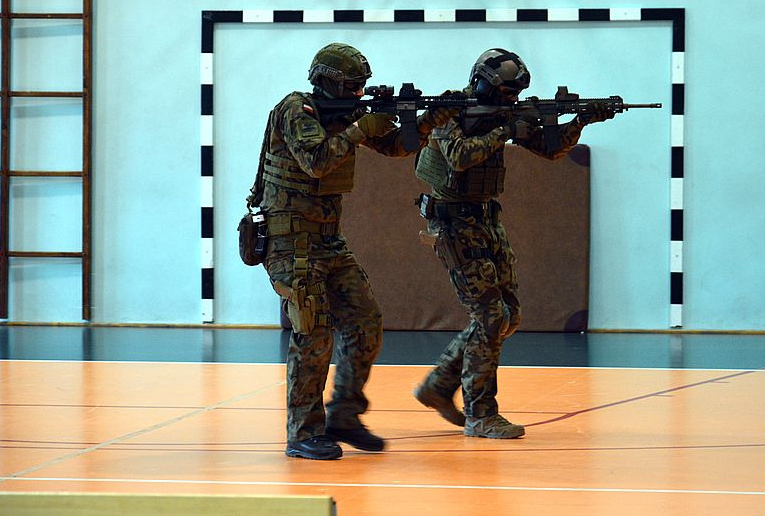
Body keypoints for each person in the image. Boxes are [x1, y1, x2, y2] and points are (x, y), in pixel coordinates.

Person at [253, 43, 454, 459]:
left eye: (362, 86)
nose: (359, 93)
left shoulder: (346, 114)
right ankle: (303, 432)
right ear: (325, 81)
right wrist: (363, 127)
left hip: (327, 240)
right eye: (351, 86)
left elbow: (397, 147)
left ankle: (344, 413)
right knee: (313, 333)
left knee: (365, 322)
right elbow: (316, 160)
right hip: (289, 242)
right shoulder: (295, 110)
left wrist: (430, 119)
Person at [412, 48, 612, 439]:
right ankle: (480, 414)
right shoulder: (449, 110)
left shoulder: (503, 114)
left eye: (515, 94)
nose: (511, 100)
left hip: (486, 219)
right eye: (505, 92)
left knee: (508, 315)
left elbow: (551, 149)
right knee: (490, 316)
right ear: (481, 82)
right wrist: (504, 129)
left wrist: (580, 121)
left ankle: (439, 384)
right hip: (453, 222)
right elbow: (459, 156)